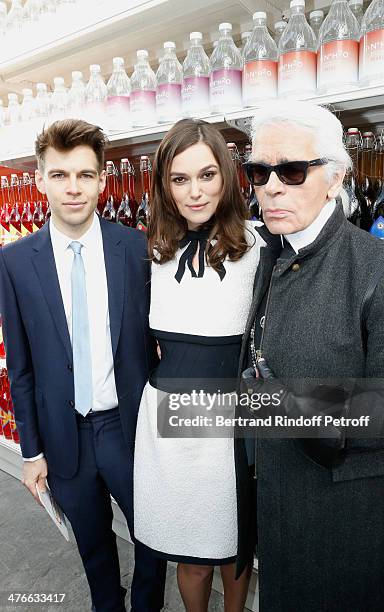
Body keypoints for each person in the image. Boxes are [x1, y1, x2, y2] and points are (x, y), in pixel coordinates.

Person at [235, 100, 384, 611]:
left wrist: (287, 407)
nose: (271, 186)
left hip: (344, 523)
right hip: (280, 509)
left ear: (335, 179)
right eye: (259, 171)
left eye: (290, 170)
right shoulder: (272, 252)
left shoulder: (382, 269)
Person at [0, 119, 166, 612]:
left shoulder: (136, 249)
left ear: (102, 179)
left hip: (128, 430)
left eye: (85, 175)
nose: (73, 188)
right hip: (63, 435)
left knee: (153, 537)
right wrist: (31, 451)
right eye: (60, 175)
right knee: (93, 545)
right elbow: (22, 365)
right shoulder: (15, 261)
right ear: (40, 179)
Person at [133, 118, 262, 611]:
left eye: (207, 175)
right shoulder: (151, 251)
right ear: (164, 184)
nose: (194, 192)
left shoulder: (259, 247)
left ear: (228, 175)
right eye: (180, 179)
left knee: (235, 549)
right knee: (189, 556)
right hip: (169, 422)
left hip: (233, 419)